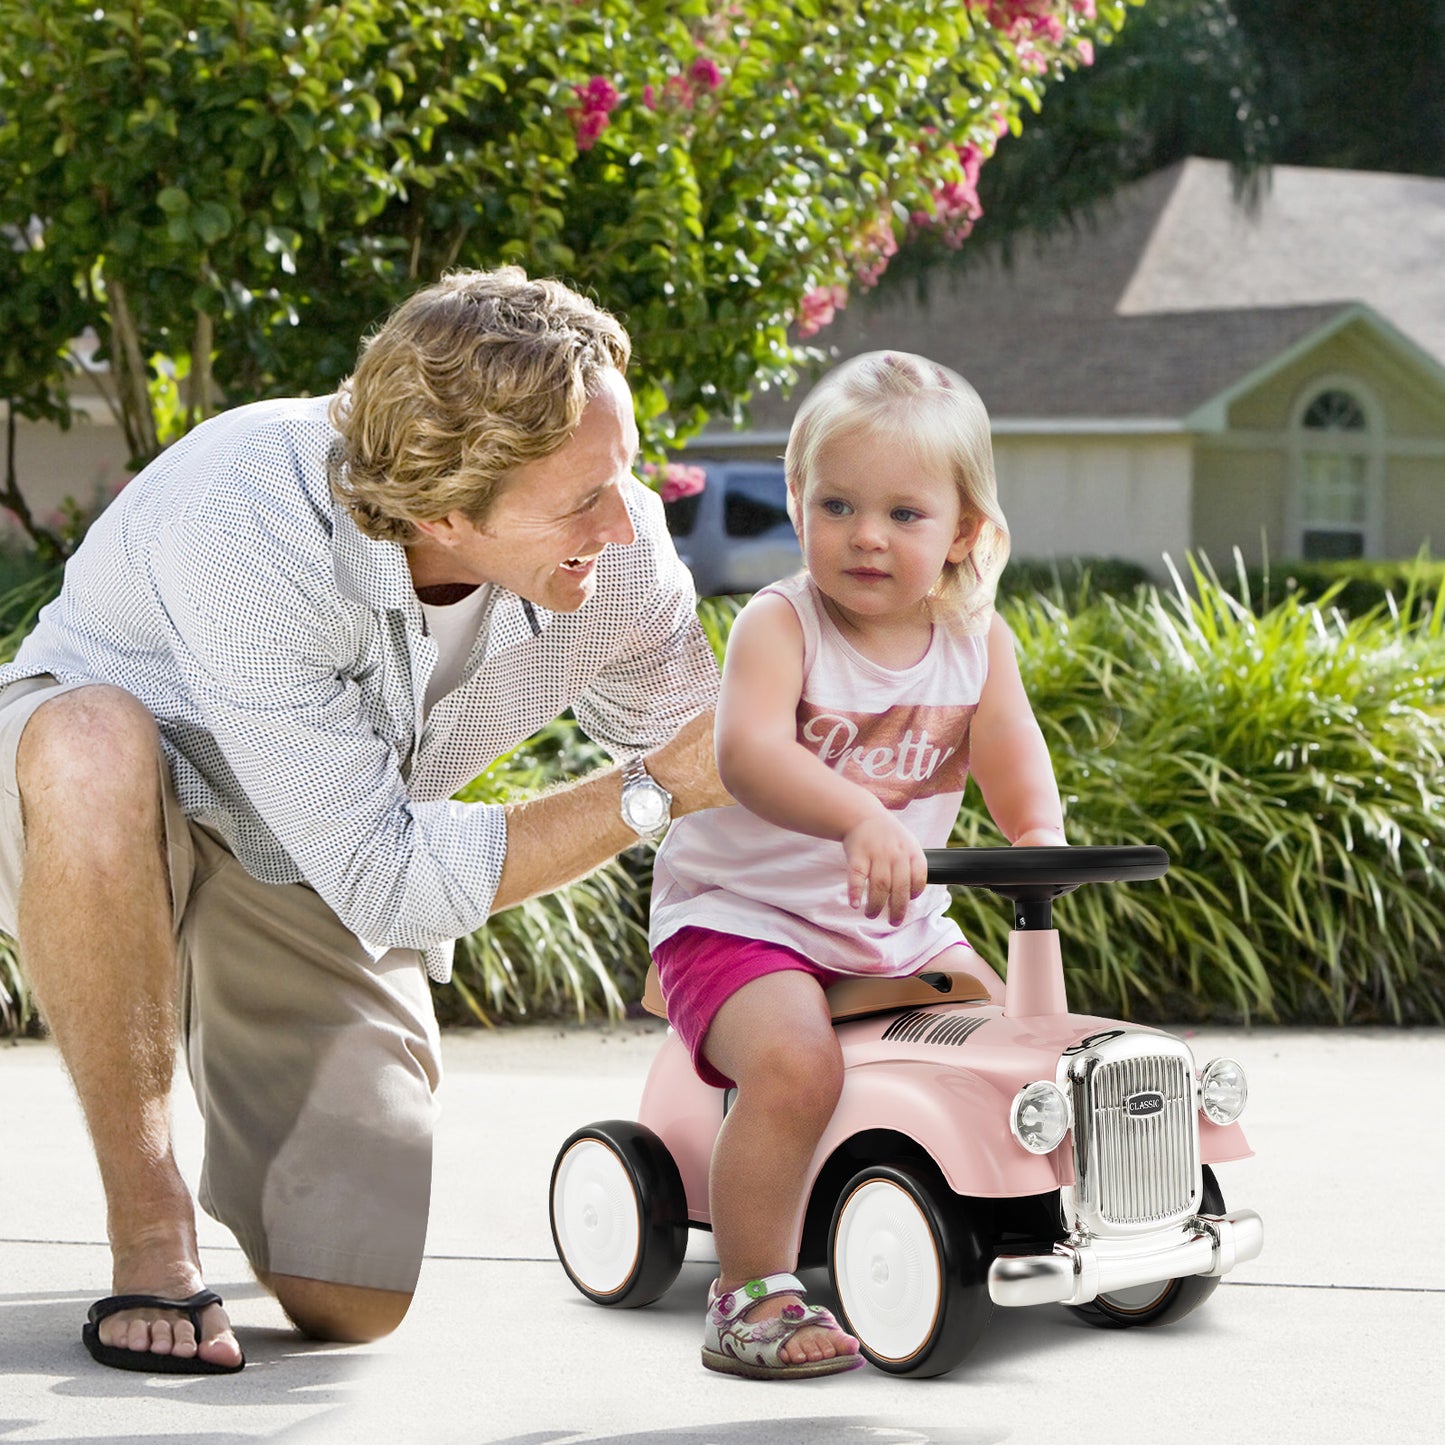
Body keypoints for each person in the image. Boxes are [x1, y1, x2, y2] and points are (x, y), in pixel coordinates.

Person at [0, 267, 726, 1373]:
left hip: (302, 855)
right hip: (93, 808)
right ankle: (150, 1224)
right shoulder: (245, 517)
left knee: (353, 1292)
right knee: (93, 743)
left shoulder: (614, 551)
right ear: (442, 510)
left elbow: (720, 756)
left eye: (620, 472)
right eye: (581, 497)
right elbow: (398, 875)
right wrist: (648, 790)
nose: (626, 520)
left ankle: (226, 1053)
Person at [648, 350, 1067, 1379]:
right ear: (796, 504)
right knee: (796, 1063)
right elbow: (746, 753)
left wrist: (1041, 851)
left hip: (892, 920)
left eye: (903, 514)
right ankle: (746, 1295)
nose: (865, 534)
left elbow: (1020, 782)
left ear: (963, 529)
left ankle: (1008, 1225)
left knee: (1009, 1049)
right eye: (836, 504)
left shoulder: (976, 641)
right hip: (739, 915)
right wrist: (857, 818)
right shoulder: (779, 623)